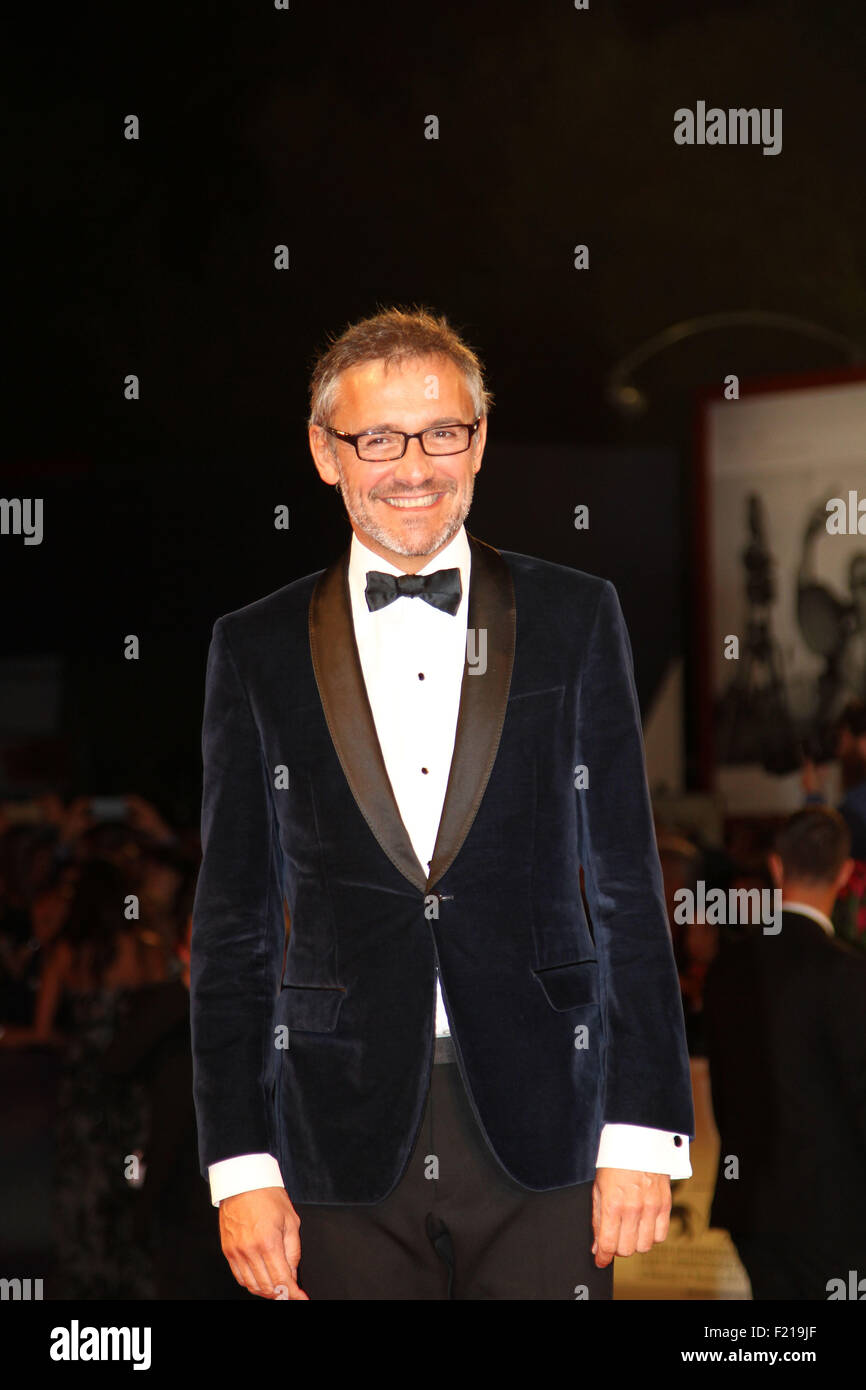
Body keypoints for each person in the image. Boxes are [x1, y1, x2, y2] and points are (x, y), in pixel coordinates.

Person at [190, 306, 694, 1301]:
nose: (411, 465)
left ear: (479, 441)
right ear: (325, 454)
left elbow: (626, 888)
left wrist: (642, 1129)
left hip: (549, 1119)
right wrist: (241, 1164)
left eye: (441, 433)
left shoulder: (574, 615)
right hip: (335, 1132)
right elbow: (233, 924)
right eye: (376, 438)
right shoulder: (253, 647)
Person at [704, 806, 866, 1300]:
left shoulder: (726, 967)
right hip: (835, 1212)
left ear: (775, 867)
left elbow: (725, 1094)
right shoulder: (848, 976)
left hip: (749, 1206)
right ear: (844, 874)